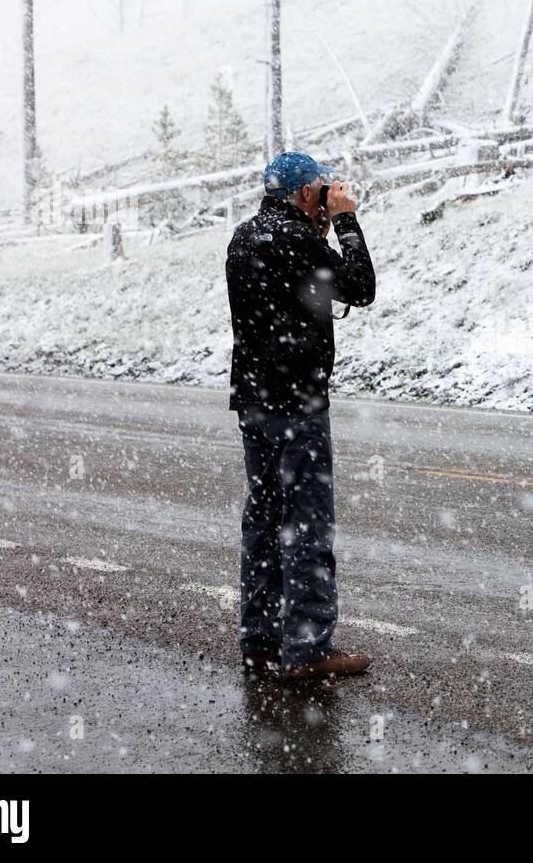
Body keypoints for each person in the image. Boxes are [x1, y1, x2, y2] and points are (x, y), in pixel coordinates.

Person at [225, 151, 376, 678]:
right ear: (308, 193)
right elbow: (361, 287)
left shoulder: (245, 236)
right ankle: (308, 649)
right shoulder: (298, 239)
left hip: (253, 400)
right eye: (321, 192)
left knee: (263, 522)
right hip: (298, 403)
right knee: (306, 526)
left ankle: (260, 640)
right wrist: (346, 221)